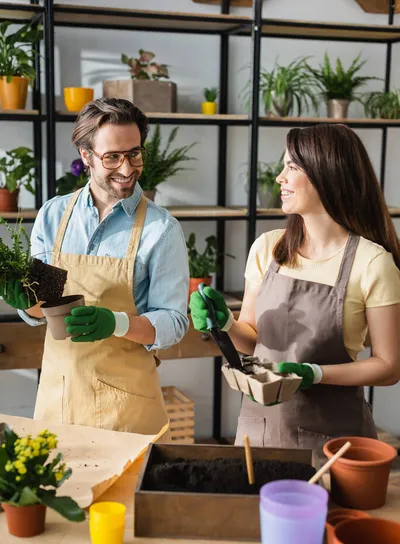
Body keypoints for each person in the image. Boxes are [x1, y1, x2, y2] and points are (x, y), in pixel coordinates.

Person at [190, 123, 400, 453]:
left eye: (292, 167)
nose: (280, 178)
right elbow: (252, 339)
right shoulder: (268, 248)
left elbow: (389, 367)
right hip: (258, 433)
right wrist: (226, 323)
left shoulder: (372, 263)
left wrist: (313, 373)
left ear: (326, 173)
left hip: (334, 445)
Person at [1, 97, 189, 438]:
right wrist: (25, 302)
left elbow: (175, 322)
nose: (128, 168)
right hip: (57, 401)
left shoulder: (161, 230)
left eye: (134, 153)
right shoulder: (53, 216)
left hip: (127, 410)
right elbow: (44, 308)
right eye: (112, 156)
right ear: (85, 155)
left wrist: (116, 323)